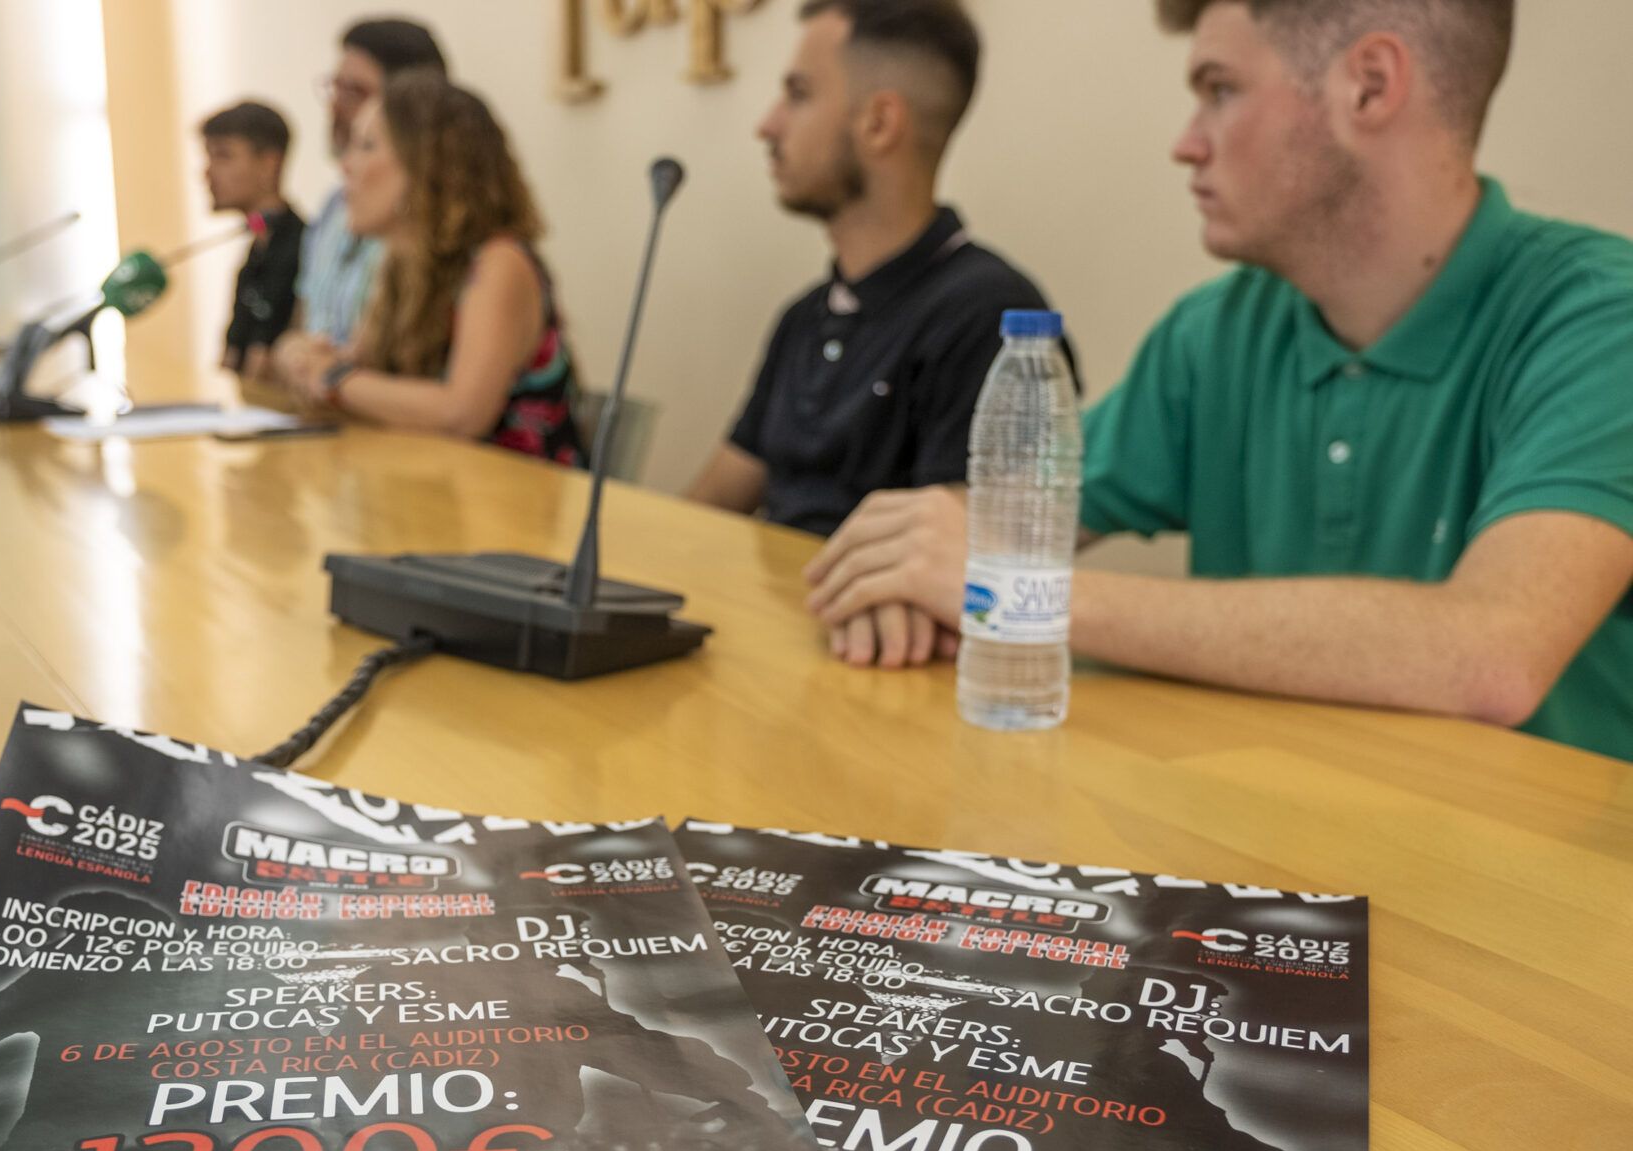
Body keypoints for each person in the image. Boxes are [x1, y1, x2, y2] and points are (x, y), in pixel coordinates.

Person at [803, 0, 1633, 766]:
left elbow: (1492, 655)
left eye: (1220, 89)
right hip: (1267, 856)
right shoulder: (1214, 331)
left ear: (1370, 87)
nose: (1186, 141)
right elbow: (1007, 525)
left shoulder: (1602, 317)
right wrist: (911, 572)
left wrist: (1009, 589)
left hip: (1539, 905)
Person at [684, 0, 1065, 541]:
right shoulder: (806, 315)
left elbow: (962, 557)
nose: (766, 126)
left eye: (798, 95)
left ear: (880, 123)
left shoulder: (992, 317)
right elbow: (715, 500)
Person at [278, 72, 585, 466]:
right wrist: (302, 356)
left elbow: (462, 413)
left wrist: (332, 378)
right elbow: (360, 372)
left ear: (428, 165)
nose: (346, 167)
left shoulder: (498, 263)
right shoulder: (402, 263)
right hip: (430, 494)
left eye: (367, 146)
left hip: (518, 510)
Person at [285, 18, 448, 351]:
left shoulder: (444, 228)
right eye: (336, 87)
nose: (336, 105)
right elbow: (302, 327)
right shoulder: (334, 206)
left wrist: (329, 376)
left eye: (355, 92)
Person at [199, 101, 303, 376]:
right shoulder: (255, 251)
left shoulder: (303, 250)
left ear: (269, 164)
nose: (207, 172)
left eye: (223, 156)